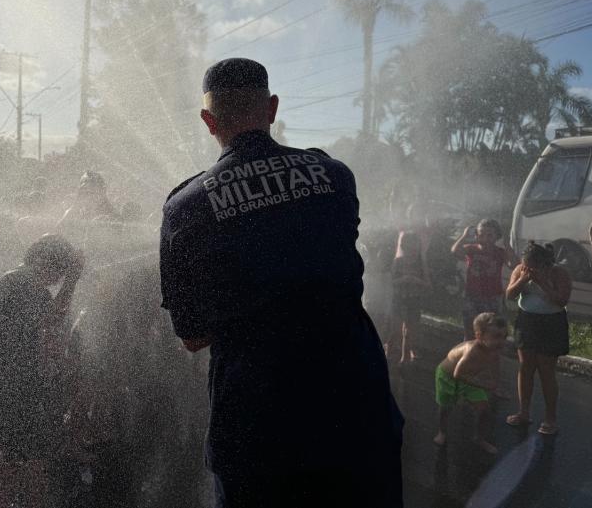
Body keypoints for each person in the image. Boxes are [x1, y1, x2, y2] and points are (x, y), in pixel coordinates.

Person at [159, 58, 403, 508]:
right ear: (271, 108)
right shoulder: (335, 176)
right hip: (356, 414)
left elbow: (192, 336)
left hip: (257, 432)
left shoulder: (186, 207)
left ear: (208, 121)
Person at [0, 234, 84, 508]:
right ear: (45, 262)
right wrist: (73, 280)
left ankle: (2, 501)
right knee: (31, 461)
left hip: (11, 381)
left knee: (14, 456)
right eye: (59, 271)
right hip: (16, 384)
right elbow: (53, 318)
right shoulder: (20, 283)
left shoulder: (16, 280)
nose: (58, 279)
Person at [505, 241, 571, 435]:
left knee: (546, 370)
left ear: (544, 263)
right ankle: (523, 412)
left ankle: (550, 419)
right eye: (526, 264)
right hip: (527, 321)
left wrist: (542, 283)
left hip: (551, 323)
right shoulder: (521, 269)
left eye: (532, 265)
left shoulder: (559, 273)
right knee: (525, 367)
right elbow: (509, 295)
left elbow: (562, 300)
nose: (529, 268)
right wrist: (522, 280)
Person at [433, 313, 508, 454]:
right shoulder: (472, 351)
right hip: (448, 376)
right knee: (446, 407)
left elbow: (496, 365)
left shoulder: (494, 350)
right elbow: (457, 374)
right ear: (479, 336)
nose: (501, 342)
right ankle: (441, 432)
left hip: (470, 378)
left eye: (504, 337)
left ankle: (479, 438)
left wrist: (496, 383)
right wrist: (484, 385)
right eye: (497, 337)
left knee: (484, 410)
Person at [452, 219, 512, 340]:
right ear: (476, 235)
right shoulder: (471, 249)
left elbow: (514, 264)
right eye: (481, 235)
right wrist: (464, 236)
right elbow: (455, 251)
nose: (485, 238)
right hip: (472, 295)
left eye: (490, 235)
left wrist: (507, 245)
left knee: (491, 330)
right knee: (470, 329)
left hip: (493, 296)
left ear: (497, 237)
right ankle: (470, 354)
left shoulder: (500, 252)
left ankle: (488, 355)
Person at [391, 230, 430, 365]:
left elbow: (427, 284)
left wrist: (414, 280)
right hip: (398, 298)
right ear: (403, 246)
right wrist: (404, 279)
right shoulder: (398, 261)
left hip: (414, 299)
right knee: (395, 328)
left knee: (409, 329)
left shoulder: (421, 263)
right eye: (408, 246)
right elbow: (391, 282)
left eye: (414, 246)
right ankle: (389, 352)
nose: (412, 249)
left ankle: (405, 357)